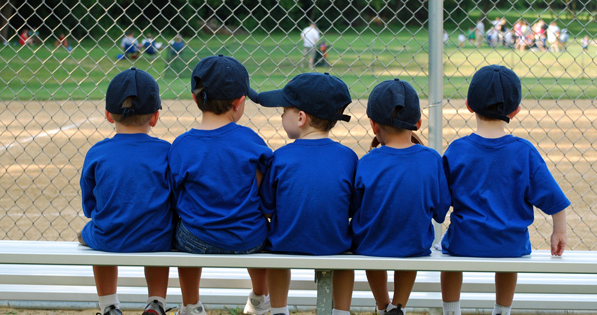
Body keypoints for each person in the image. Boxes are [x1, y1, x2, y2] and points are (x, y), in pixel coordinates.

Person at [439, 65, 570, 315]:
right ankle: (502, 312)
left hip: (465, 242)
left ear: (469, 105)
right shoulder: (524, 151)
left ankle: (451, 311)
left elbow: (440, 200)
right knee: (509, 262)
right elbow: (554, 199)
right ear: (516, 110)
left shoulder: (457, 149)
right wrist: (559, 231)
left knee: (450, 260)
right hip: (511, 244)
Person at [167, 55, 272, 315]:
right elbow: (263, 183)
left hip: (195, 239)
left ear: (195, 99)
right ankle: (260, 297)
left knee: (182, 224)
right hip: (250, 239)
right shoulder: (251, 140)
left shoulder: (183, 144)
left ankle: (191, 304)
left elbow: (175, 193)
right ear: (239, 103)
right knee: (260, 224)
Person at [251, 72, 357, 315]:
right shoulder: (348, 157)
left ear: (300, 117)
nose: (280, 115)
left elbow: (267, 207)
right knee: (345, 260)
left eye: (284, 110)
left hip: (286, 243)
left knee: (275, 255)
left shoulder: (280, 157)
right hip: (334, 244)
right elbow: (351, 207)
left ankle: (279, 309)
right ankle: (341, 311)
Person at [351, 79, 451, 315]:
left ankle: (382, 305)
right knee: (410, 238)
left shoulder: (367, 162)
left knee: (370, 239)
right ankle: (398, 306)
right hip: (413, 244)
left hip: (371, 245)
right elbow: (440, 212)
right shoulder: (432, 159)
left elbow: (355, 208)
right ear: (418, 122)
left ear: (373, 125)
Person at [79, 67, 173, 315]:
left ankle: (109, 305)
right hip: (156, 237)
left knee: (93, 234)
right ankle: (156, 302)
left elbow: (89, 204)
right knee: (160, 239)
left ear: (109, 115)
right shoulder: (166, 151)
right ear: (154, 117)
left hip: (110, 237)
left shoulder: (97, 152)